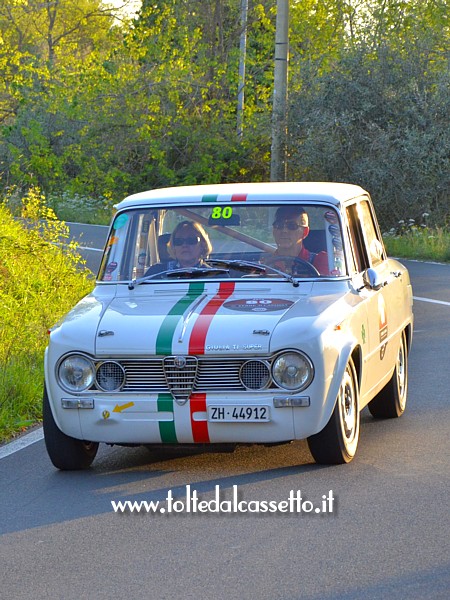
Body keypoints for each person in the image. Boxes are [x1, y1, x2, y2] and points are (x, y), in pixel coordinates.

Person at [271, 206, 329, 275]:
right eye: (279, 225)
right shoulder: (263, 264)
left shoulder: (320, 261)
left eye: (292, 226)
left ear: (305, 232)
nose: (284, 230)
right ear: (273, 231)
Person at [146, 221, 212, 276]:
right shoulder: (155, 273)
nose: (184, 245)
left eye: (191, 240)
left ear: (203, 245)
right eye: (178, 241)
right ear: (173, 246)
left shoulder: (213, 276)